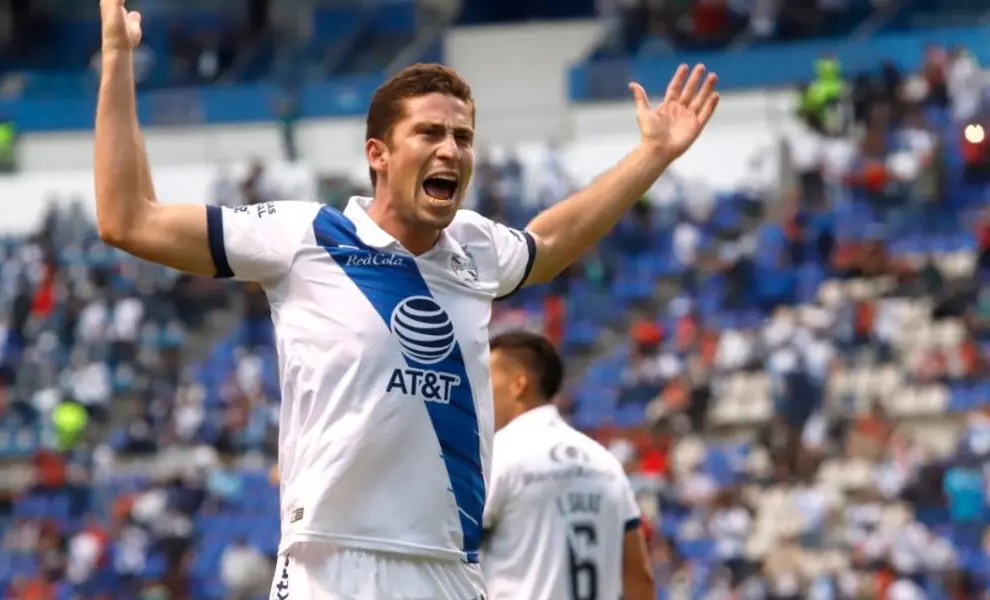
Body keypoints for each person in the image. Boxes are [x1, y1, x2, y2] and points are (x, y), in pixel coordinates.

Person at [92, 0, 719, 597]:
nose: (451, 149)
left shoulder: (474, 248)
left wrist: (653, 154)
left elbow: (550, 241)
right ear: (379, 155)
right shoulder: (305, 237)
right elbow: (129, 219)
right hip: (329, 567)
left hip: (447, 571)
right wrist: (118, 57)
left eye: (463, 136)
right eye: (429, 133)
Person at [482, 331, 653, 600]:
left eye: (486, 379)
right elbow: (638, 575)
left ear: (519, 385)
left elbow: (450, 552)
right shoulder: (605, 462)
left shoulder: (498, 454)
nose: (480, 390)